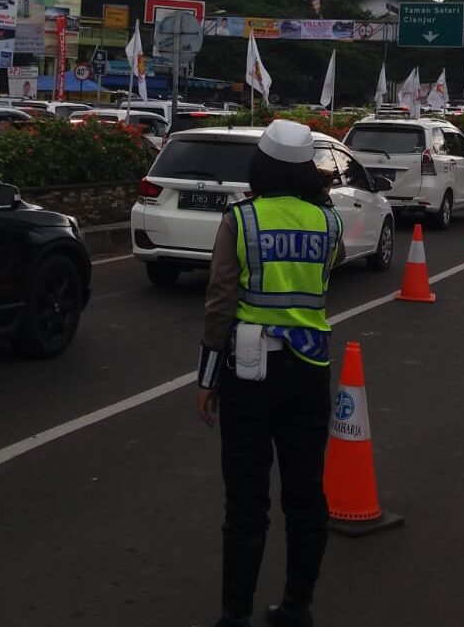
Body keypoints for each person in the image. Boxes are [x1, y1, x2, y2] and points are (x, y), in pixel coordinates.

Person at [196, 119, 341, 627]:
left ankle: (234, 615)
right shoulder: (329, 222)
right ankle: (298, 607)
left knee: (246, 500)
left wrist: (207, 377)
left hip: (248, 373)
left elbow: (220, 304)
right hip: (309, 371)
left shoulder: (242, 220)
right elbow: (325, 277)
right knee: (305, 495)